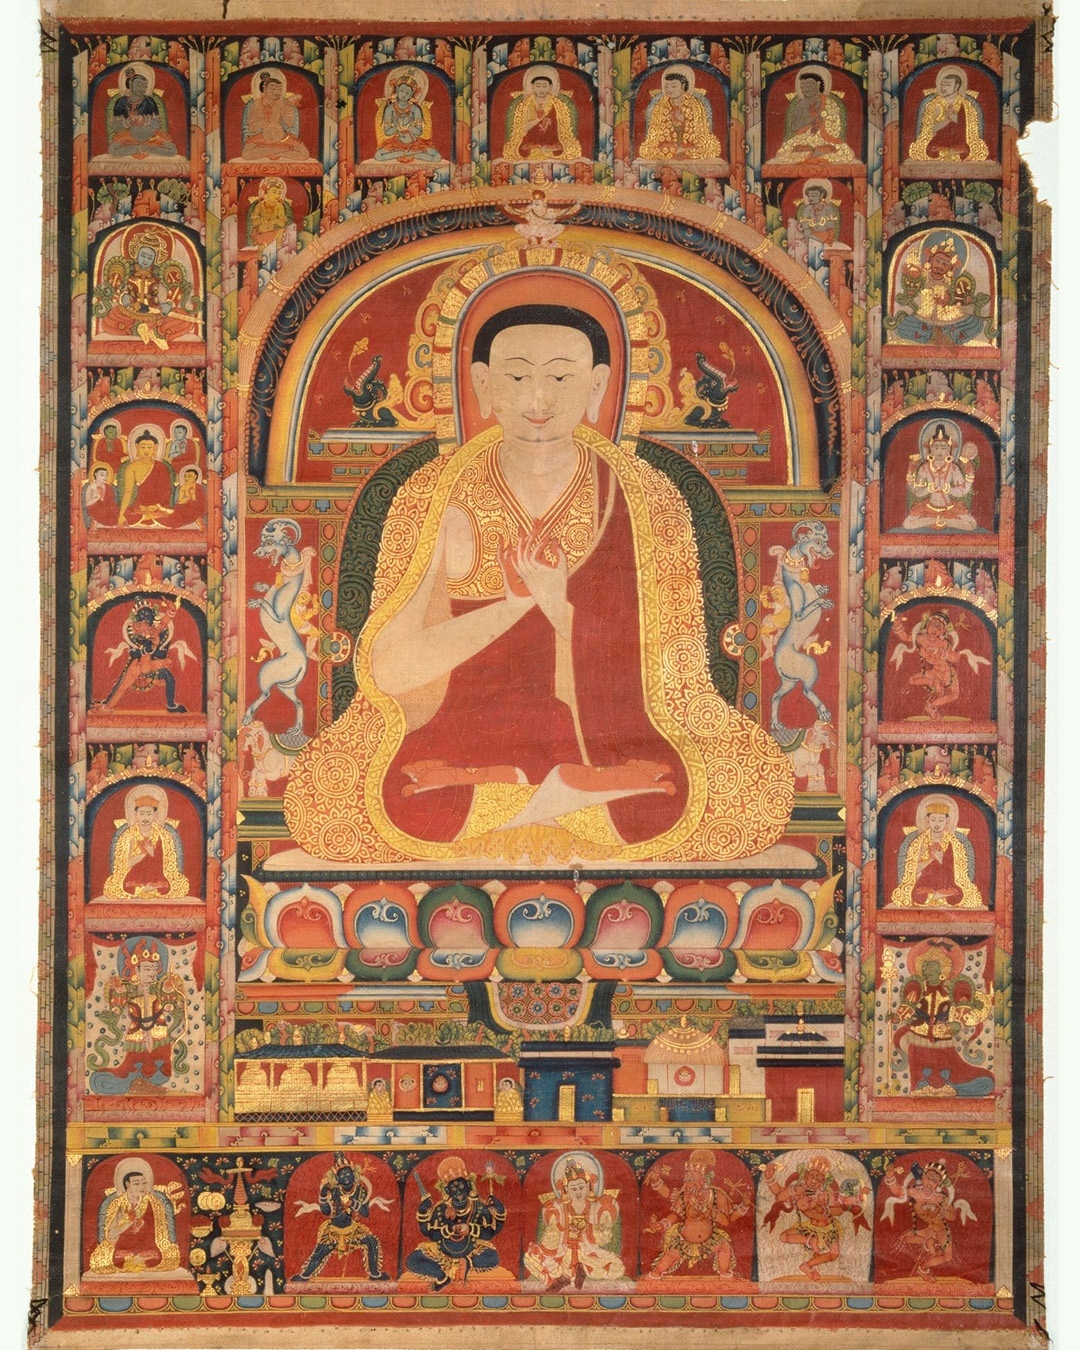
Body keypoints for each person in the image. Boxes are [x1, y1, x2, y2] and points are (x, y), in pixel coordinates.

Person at [285, 297, 793, 865]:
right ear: (482, 384)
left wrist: (560, 610)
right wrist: (509, 608)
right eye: (518, 377)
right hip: (462, 739)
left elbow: (676, 675)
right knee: (342, 804)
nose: (538, 400)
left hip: (608, 740)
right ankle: (550, 791)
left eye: (561, 377)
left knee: (737, 797)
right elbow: (390, 672)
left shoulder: (647, 498)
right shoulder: (434, 495)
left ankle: (537, 790)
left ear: (598, 386)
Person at [524, 1153, 624, 1290]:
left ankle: (578, 1272)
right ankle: (562, 1277)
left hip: (587, 1252)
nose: (578, 1192)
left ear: (588, 1186)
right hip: (563, 1252)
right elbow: (551, 1239)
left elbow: (602, 1239)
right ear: (566, 1190)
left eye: (581, 1187)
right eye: (574, 1188)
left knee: (617, 1268)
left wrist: (596, 1226)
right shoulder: (558, 1208)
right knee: (529, 1258)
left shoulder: (596, 1207)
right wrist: (556, 1231)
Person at [405, 1156, 506, 1290]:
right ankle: (441, 1276)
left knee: (493, 1257)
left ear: (468, 1185)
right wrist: (423, 1212)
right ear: (447, 1191)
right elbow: (429, 1234)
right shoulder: (441, 1209)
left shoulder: (478, 1206)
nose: (457, 1190)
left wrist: (497, 1213)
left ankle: (468, 1263)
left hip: (470, 1251)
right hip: (443, 1253)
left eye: (461, 1185)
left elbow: (490, 1233)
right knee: (413, 1260)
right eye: (453, 1188)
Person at [762, 1155, 870, 1279]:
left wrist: (860, 1196)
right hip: (810, 1228)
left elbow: (844, 1201)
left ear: (823, 1182)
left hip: (828, 1229)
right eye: (812, 1176)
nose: (814, 1180)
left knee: (834, 1254)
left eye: (819, 1179)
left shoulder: (826, 1194)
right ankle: (810, 1240)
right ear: (806, 1175)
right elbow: (779, 1195)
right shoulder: (799, 1191)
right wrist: (770, 1178)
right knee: (783, 1237)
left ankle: (807, 1266)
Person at [647, 1149, 749, 1278]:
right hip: (684, 1242)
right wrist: (662, 1224)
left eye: (692, 1179)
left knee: (724, 1246)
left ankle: (725, 1276)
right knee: (662, 1265)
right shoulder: (684, 1196)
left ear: (703, 1180)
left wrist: (711, 1212)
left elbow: (726, 1221)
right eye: (687, 1179)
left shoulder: (716, 1195)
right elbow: (675, 1215)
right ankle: (654, 1277)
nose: (688, 1184)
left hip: (709, 1241)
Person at [293, 1154, 391, 1282]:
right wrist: (323, 1195)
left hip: (352, 1230)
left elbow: (365, 1213)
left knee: (371, 1242)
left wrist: (353, 1204)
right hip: (333, 1230)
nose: (346, 1177)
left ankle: (375, 1274)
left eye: (348, 1173)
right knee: (321, 1251)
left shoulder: (360, 1190)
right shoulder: (334, 1191)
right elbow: (326, 1211)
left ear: (353, 1174)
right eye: (342, 1175)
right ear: (337, 1178)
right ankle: (305, 1275)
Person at [89, 1158, 183, 1274]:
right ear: (127, 1184)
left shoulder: (155, 1203)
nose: (142, 1187)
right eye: (137, 1183)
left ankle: (137, 1259)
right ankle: (133, 1259)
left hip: (148, 1249)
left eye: (144, 1183)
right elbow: (110, 1235)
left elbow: (160, 1235)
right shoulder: (118, 1204)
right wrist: (128, 1223)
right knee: (110, 1260)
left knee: (160, 1258)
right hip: (122, 1249)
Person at [890, 794, 983, 908]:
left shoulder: (954, 843)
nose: (937, 824)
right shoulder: (920, 842)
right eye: (933, 820)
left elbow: (958, 871)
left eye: (941, 820)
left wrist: (941, 858)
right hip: (925, 883)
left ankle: (935, 897)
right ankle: (937, 897)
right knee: (917, 896)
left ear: (947, 821)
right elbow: (914, 869)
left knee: (958, 896)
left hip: (947, 884)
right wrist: (930, 859)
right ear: (927, 820)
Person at [102, 785, 193, 900]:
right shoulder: (128, 836)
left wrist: (152, 852)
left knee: (167, 886)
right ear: (136, 815)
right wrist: (143, 854)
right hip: (134, 876)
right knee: (126, 886)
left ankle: (147, 888)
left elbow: (168, 864)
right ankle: (145, 888)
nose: (145, 818)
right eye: (142, 813)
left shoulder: (163, 835)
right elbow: (124, 864)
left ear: (155, 816)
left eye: (149, 814)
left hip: (157, 876)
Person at [901, 422, 978, 531]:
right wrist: (928, 489)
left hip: (949, 507)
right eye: (936, 447)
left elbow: (962, 491)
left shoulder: (953, 468)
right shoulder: (924, 468)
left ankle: (945, 520)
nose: (939, 451)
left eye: (943, 447)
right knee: (907, 524)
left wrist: (949, 489)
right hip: (929, 507)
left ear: (949, 450)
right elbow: (916, 491)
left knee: (971, 524)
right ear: (930, 449)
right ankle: (936, 520)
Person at [773, 68, 856, 164]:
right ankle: (815, 153)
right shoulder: (800, 104)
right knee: (784, 154)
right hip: (803, 139)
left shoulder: (830, 102)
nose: (804, 89)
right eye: (802, 87)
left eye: (808, 86)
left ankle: (813, 153)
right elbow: (794, 126)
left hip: (825, 139)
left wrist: (821, 122)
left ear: (818, 84)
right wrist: (810, 121)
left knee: (845, 153)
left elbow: (835, 125)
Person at [908, 66, 989, 163]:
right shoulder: (934, 104)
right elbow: (930, 130)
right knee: (930, 150)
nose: (943, 88)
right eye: (942, 85)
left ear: (957, 86)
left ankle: (950, 152)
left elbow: (970, 131)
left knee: (966, 151)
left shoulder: (966, 105)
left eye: (948, 85)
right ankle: (948, 153)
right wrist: (947, 121)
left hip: (959, 142)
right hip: (939, 141)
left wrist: (956, 119)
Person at [639, 68, 722, 161]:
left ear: (683, 86)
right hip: (667, 142)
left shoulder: (694, 105)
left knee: (705, 149)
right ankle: (677, 150)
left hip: (689, 142)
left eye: (673, 86)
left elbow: (699, 132)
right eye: (667, 86)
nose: (669, 90)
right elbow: (656, 133)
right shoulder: (661, 105)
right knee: (651, 150)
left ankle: (680, 150)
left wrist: (683, 122)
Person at [504, 69, 582, 160]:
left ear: (550, 87)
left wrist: (549, 123)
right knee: (523, 151)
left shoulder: (558, 104)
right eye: (538, 86)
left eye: (544, 86)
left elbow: (562, 128)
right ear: (532, 87)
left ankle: (546, 150)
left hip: (552, 141)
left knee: (563, 150)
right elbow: (521, 128)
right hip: (531, 140)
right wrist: (537, 120)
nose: (541, 89)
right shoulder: (526, 105)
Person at [106, 66, 178, 159]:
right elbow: (115, 126)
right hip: (129, 137)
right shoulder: (121, 102)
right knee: (112, 150)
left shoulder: (149, 101)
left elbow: (157, 124)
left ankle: (143, 148)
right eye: (139, 85)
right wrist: (129, 122)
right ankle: (143, 148)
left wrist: (145, 120)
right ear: (131, 85)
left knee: (172, 150)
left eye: (144, 86)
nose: (142, 88)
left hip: (150, 136)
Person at [373, 69, 442, 162]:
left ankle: (411, 153)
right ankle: (405, 153)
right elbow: (387, 132)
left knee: (437, 156)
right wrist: (398, 127)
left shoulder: (415, 109)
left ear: (412, 94)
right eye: (402, 91)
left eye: (407, 93)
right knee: (378, 155)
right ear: (397, 89)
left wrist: (408, 127)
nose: (404, 95)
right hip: (397, 143)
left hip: (414, 143)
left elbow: (418, 132)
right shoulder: (390, 109)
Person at [241, 70, 310, 161]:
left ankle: (273, 152)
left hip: (283, 140)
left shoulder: (283, 103)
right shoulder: (255, 104)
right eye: (273, 89)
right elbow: (250, 129)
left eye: (279, 89)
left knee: (304, 153)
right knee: (246, 154)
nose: (277, 92)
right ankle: (277, 151)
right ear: (265, 88)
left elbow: (289, 125)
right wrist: (260, 123)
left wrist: (289, 111)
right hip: (261, 140)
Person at [246, 176, 294, 247]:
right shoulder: (260, 205)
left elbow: (283, 224)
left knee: (280, 234)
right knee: (262, 250)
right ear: (268, 191)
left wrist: (275, 221)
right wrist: (261, 220)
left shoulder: (280, 206)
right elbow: (253, 223)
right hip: (261, 234)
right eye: (274, 192)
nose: (277, 195)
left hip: (274, 235)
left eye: (279, 193)